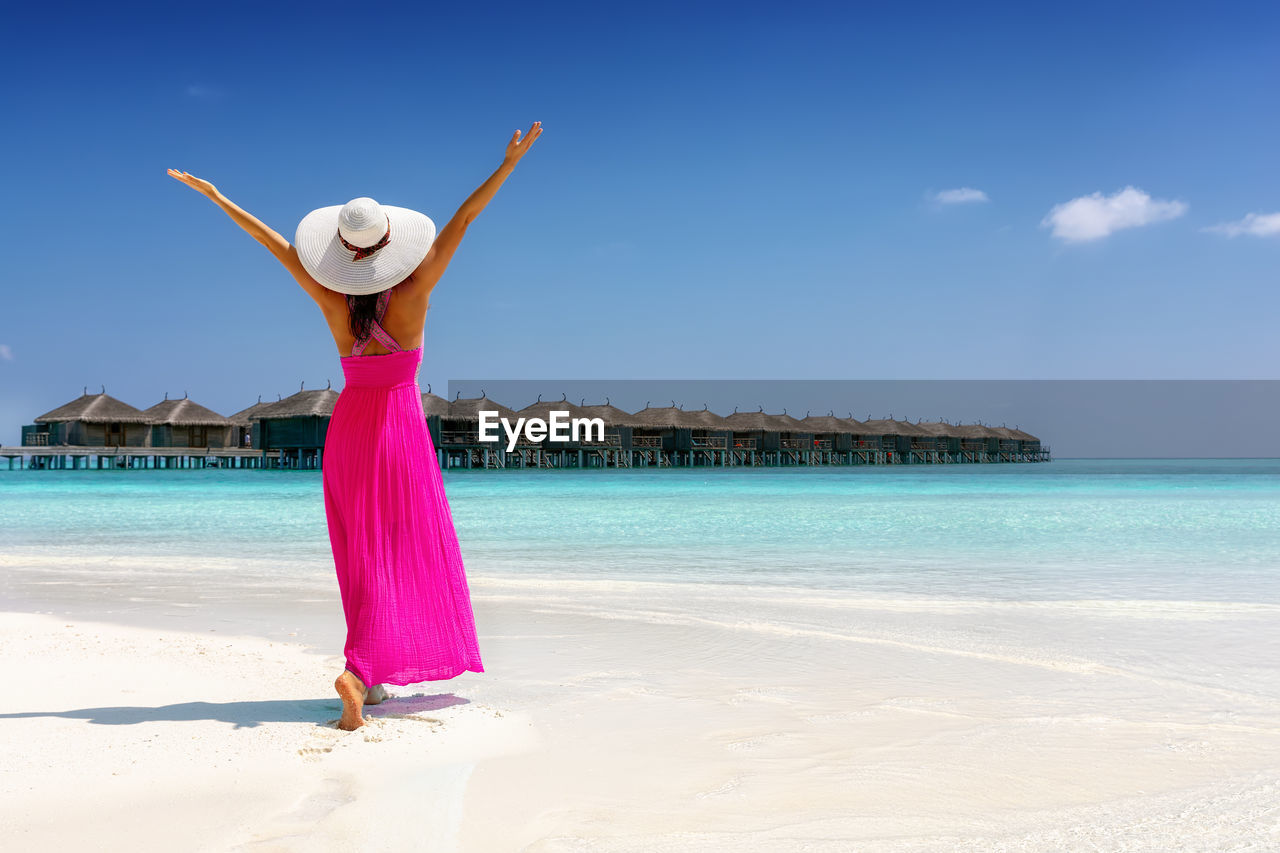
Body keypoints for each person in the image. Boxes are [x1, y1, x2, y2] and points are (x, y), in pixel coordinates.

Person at [169, 121, 544, 730]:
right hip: (399, 432)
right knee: (401, 546)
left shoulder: (332, 300)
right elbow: (465, 220)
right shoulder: (418, 288)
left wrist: (217, 198)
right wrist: (507, 165)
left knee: (362, 552)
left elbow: (274, 246)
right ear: (394, 244)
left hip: (347, 431)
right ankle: (360, 670)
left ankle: (366, 675)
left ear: (344, 254)